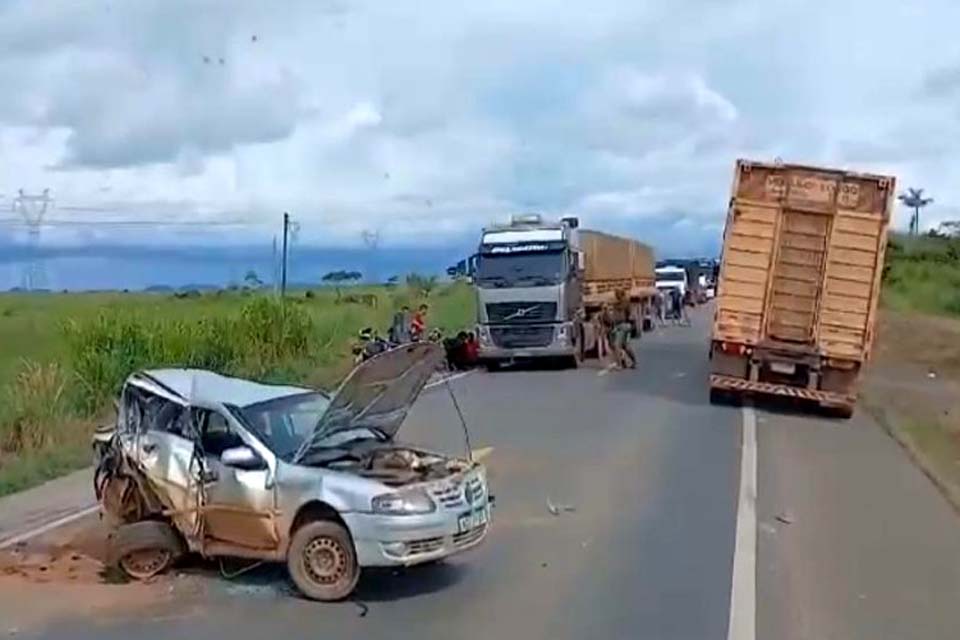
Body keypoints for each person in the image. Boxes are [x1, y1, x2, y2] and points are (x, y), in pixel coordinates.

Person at [612, 289, 636, 369]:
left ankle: (619, 364)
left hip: (623, 325)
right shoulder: (619, 303)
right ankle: (632, 361)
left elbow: (629, 315)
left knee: (616, 345)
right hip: (623, 325)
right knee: (625, 346)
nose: (615, 296)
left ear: (620, 294)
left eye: (617, 294)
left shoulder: (624, 303)